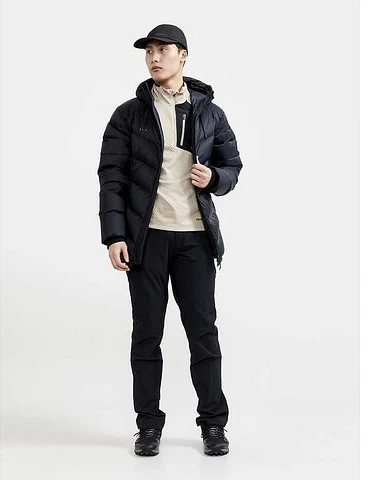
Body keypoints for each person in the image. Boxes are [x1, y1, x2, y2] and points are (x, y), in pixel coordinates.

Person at [97, 24, 243, 457]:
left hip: (196, 239)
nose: (154, 58)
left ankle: (213, 425)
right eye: (149, 52)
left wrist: (214, 178)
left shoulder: (210, 114)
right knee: (147, 335)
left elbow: (232, 166)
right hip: (147, 240)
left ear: (183, 55)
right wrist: (115, 235)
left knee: (203, 334)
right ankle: (148, 426)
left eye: (163, 50)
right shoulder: (129, 114)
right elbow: (111, 178)